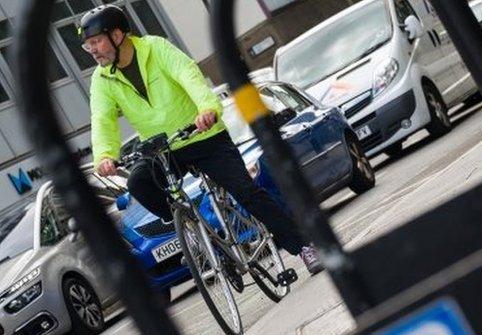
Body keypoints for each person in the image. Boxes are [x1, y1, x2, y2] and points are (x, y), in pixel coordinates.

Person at [78, 5, 324, 274]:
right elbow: (102, 119)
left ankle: (304, 246)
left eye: (96, 42)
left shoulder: (156, 48)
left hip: (202, 135)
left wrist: (208, 108)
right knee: (139, 182)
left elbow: (189, 75)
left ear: (117, 35)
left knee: (247, 192)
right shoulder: (101, 79)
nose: (92, 50)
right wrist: (104, 155)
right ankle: (192, 229)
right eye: (87, 46)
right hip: (163, 149)